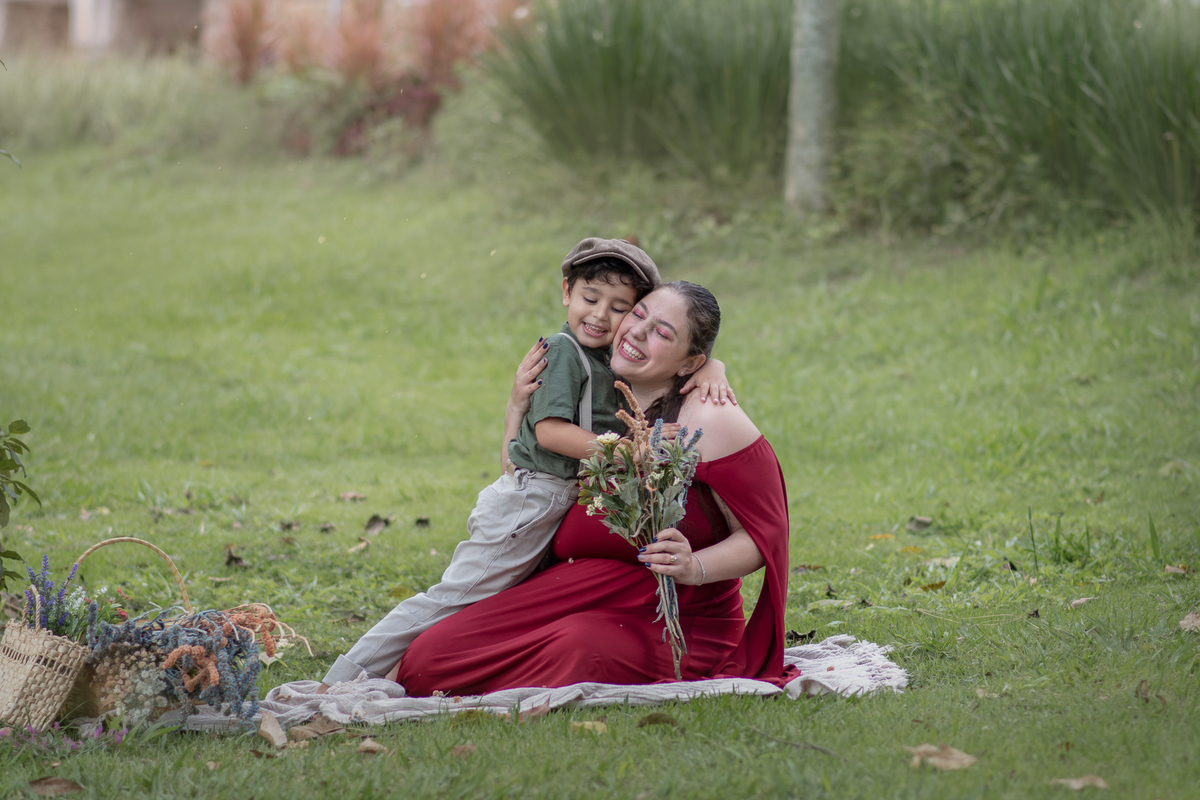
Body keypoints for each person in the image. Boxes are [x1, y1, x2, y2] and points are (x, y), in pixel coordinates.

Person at [319, 240, 732, 689]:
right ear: (566, 293)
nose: (599, 316)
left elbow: (681, 360)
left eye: (619, 308)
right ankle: (343, 677)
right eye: (590, 299)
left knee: (494, 600)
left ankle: (400, 671)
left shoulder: (606, 360)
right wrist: (635, 449)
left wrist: (714, 367)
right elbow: (550, 434)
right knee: (454, 598)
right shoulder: (561, 351)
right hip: (532, 499)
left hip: (547, 503)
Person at [395, 281, 792, 694]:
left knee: (577, 647)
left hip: (669, 616)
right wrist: (517, 407)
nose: (637, 332)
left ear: (690, 363)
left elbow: (766, 534)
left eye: (662, 332)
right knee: (428, 662)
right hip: (572, 590)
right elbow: (524, 480)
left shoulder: (708, 418)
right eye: (638, 314)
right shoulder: (595, 404)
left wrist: (695, 568)